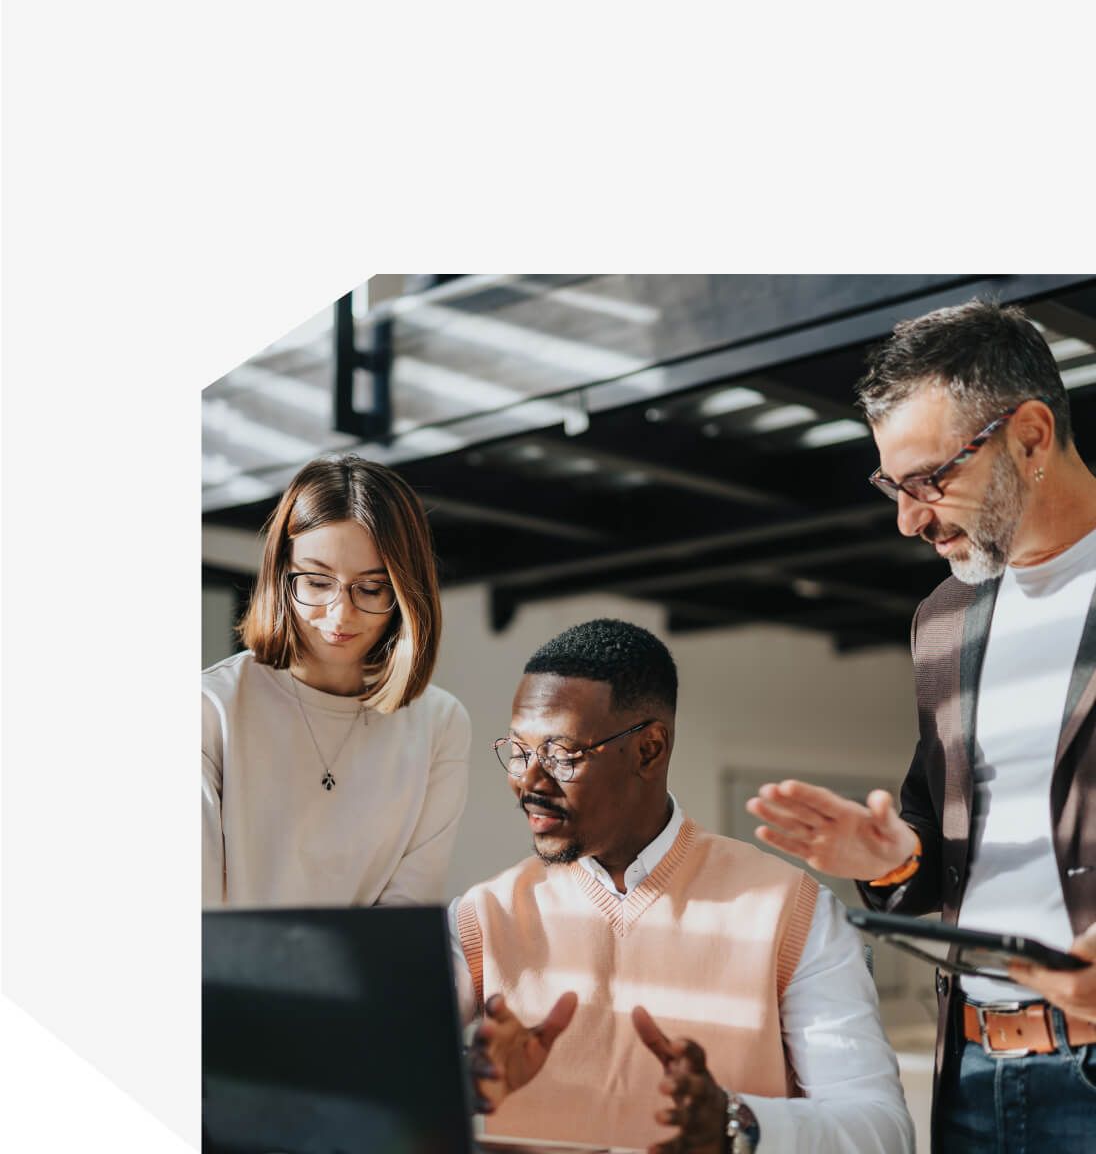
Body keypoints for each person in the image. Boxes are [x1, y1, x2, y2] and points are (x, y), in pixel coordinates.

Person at [748, 300, 1096, 1151]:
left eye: (929, 480)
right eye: (891, 486)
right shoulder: (943, 621)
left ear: (1030, 436)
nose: (909, 519)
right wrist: (891, 857)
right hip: (974, 1072)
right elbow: (939, 850)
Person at [451, 619, 914, 1153]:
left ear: (650, 749)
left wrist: (737, 1125)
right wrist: (462, 1085)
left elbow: (884, 1133)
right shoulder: (481, 918)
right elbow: (368, 1090)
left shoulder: (792, 911)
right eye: (518, 750)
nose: (530, 781)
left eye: (562, 754)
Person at [202, 454, 470, 907]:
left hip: (370, 977)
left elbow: (406, 910)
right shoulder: (212, 707)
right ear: (282, 575)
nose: (340, 614)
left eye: (370, 588)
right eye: (317, 583)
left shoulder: (440, 723)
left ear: (405, 592)